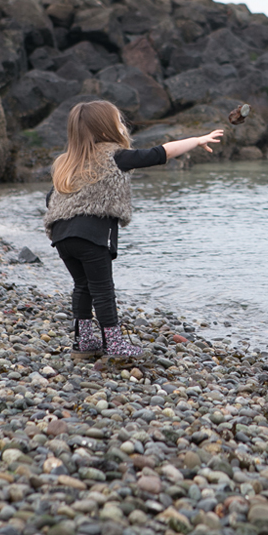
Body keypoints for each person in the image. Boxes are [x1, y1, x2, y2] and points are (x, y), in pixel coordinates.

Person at [43, 100, 224, 361]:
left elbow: (50, 198)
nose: (123, 125)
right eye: (118, 121)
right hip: (91, 237)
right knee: (102, 289)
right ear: (105, 129)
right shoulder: (114, 156)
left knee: (82, 286)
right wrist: (196, 140)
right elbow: (160, 153)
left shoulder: (66, 162)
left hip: (62, 237)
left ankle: (84, 342)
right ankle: (114, 344)